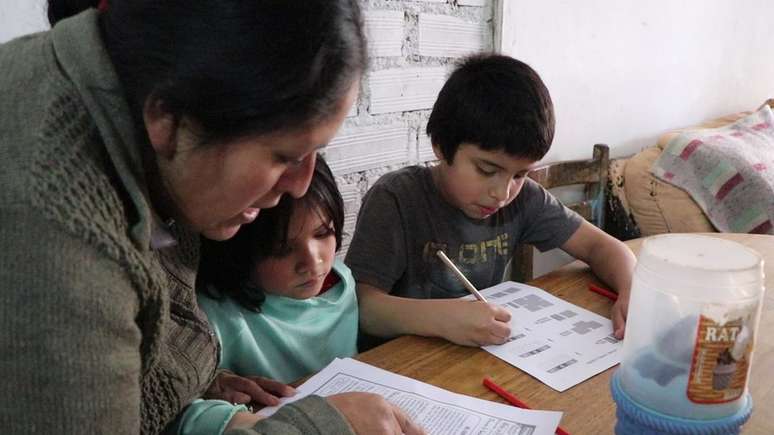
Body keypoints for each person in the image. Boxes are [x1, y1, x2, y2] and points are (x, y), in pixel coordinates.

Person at [0, 1, 423, 434]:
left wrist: (193, 382)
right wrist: (316, 428)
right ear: (169, 120)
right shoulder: (56, 234)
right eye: (284, 156)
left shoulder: (136, 109)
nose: (301, 185)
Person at [345, 54, 636, 348]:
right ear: (441, 147)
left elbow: (600, 246)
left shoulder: (524, 200)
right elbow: (364, 309)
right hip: (397, 364)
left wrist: (631, 290)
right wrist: (442, 319)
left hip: (473, 359)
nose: (502, 193)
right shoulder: (396, 200)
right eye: (487, 170)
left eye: (520, 174)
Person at [172, 156, 360, 434]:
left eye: (324, 233)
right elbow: (182, 414)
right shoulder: (214, 319)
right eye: (282, 249)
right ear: (239, 251)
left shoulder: (341, 281)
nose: (314, 262)